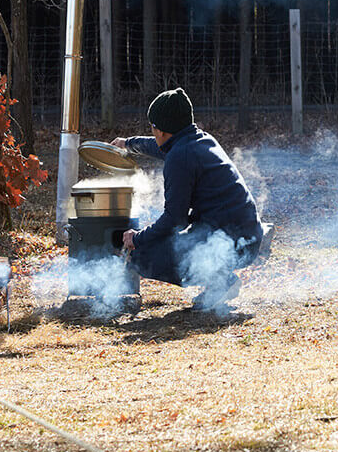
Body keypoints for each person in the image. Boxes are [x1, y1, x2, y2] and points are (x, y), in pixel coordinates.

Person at [113, 87, 264, 311]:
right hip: (247, 236)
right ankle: (218, 282)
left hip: (231, 244)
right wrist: (128, 144)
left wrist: (138, 238)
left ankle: (221, 280)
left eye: (153, 127)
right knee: (167, 241)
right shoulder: (198, 140)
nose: (153, 132)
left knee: (143, 255)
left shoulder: (180, 157)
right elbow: (160, 147)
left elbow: (175, 219)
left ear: (162, 130)